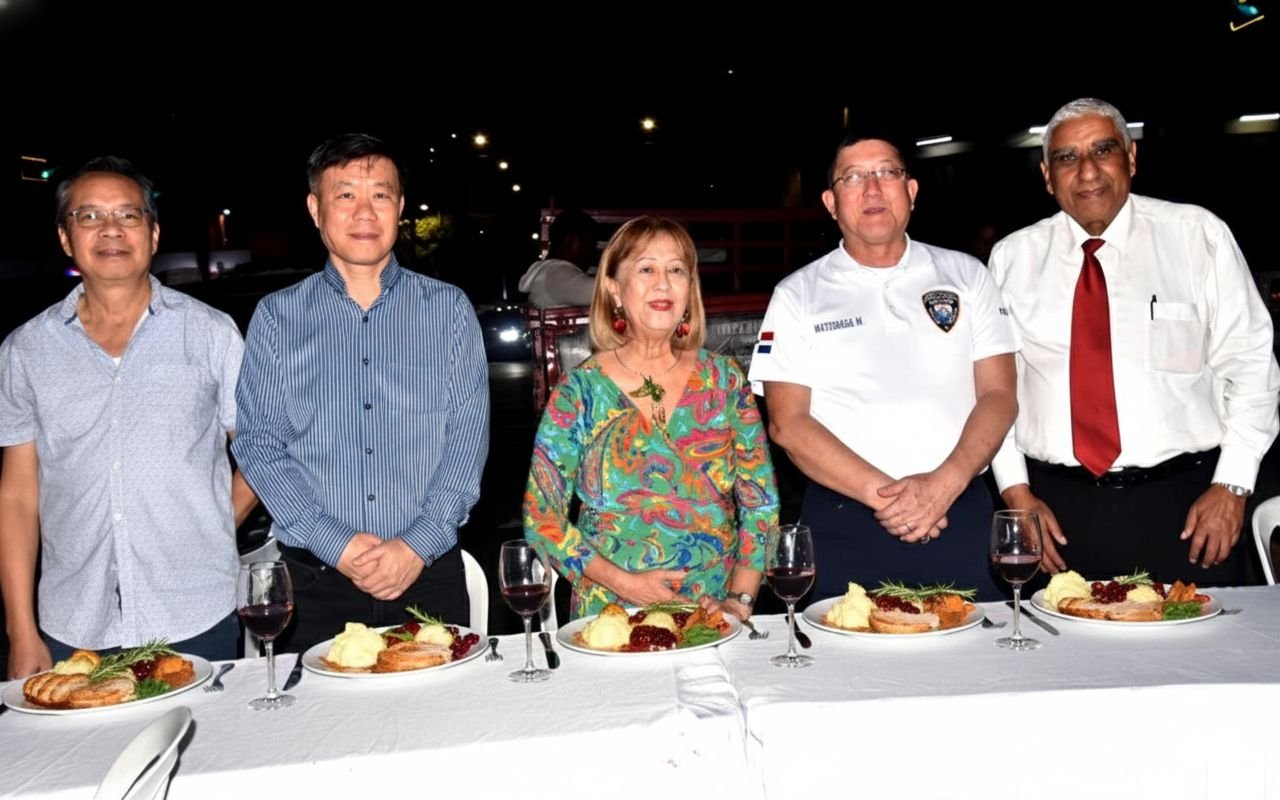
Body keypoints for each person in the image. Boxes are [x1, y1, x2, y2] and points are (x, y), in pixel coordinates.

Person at [989, 98, 1280, 584]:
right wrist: (1016, 494)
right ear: (1046, 175)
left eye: (1103, 150)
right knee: (1056, 659)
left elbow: (1251, 364)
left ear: (1131, 158)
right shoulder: (1011, 259)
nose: (1087, 172)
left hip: (1187, 510)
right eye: (1067, 157)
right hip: (1054, 515)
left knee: (1202, 660)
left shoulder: (1197, 236)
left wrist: (1233, 484)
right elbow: (996, 392)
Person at [0, 157, 255, 678]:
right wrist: (21, 631)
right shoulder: (25, 350)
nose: (111, 229)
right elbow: (18, 495)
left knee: (207, 758)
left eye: (128, 215)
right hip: (73, 625)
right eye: (89, 216)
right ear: (65, 238)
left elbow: (262, 453)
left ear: (153, 234)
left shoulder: (210, 333)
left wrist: (211, 525)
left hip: (195, 612)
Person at [233, 134, 490, 652]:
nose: (364, 211)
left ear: (399, 207)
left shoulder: (448, 309)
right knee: (318, 731)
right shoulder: (278, 318)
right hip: (313, 584)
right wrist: (337, 544)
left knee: (439, 725)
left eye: (380, 194)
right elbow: (259, 445)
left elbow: (467, 440)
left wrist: (415, 546)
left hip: (426, 575)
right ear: (315, 208)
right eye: (346, 194)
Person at [749, 136, 1019, 603]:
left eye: (887, 173)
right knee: (844, 671)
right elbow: (787, 423)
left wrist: (945, 484)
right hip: (845, 522)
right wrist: (894, 500)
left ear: (911, 191)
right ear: (831, 203)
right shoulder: (797, 295)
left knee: (981, 667)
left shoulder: (968, 274)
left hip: (958, 511)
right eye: (854, 177)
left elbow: (1000, 395)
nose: (873, 189)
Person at [523, 216, 778, 620]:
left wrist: (741, 600)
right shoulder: (579, 392)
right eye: (646, 269)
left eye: (676, 270)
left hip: (711, 613)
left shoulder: (725, 381)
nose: (663, 283)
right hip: (610, 617)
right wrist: (626, 585)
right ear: (613, 288)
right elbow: (542, 518)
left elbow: (760, 504)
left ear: (689, 288)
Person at [518, 209, 598, 308]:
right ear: (569, 241)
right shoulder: (556, 273)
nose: (592, 252)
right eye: (589, 244)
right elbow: (610, 292)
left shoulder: (546, 272)